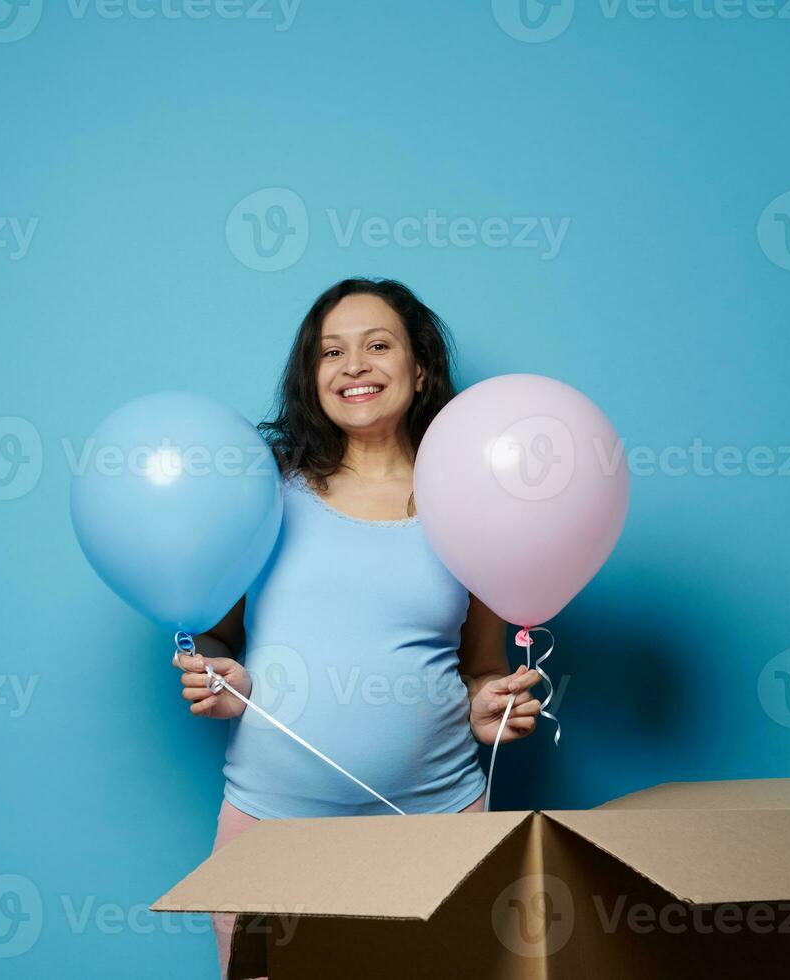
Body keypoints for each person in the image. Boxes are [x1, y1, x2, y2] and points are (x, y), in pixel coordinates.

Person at [171, 277, 544, 979]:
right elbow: (217, 635)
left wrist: (491, 706)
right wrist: (223, 673)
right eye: (330, 352)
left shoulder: (471, 501)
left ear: (421, 367)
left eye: (378, 345)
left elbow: (482, 666)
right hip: (273, 825)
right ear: (310, 377)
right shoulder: (263, 491)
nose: (354, 366)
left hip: (436, 823)